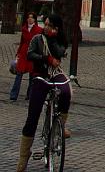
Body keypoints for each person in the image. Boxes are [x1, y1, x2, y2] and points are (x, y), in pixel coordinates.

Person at [16, 13, 72, 172]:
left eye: (49, 25)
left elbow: (59, 52)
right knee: (33, 115)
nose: (45, 27)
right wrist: (46, 58)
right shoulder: (37, 39)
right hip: (39, 75)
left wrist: (53, 40)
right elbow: (30, 54)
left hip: (54, 74)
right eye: (45, 24)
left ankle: (59, 126)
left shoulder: (60, 41)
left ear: (56, 28)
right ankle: (24, 156)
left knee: (66, 92)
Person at [9, 13, 42, 102]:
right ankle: (13, 95)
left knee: (32, 76)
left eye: (31, 18)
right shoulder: (24, 28)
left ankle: (30, 95)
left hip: (32, 54)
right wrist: (18, 53)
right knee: (18, 74)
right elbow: (22, 41)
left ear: (35, 20)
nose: (30, 19)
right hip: (23, 54)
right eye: (28, 17)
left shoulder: (39, 30)